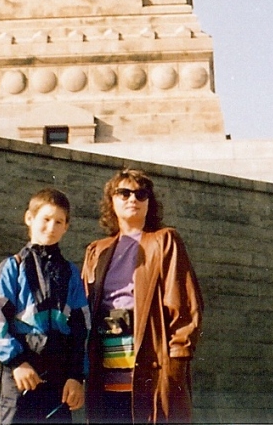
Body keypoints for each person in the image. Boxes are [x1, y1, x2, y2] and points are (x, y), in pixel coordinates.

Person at [82, 170, 203, 424]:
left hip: (152, 376)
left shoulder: (164, 241)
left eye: (141, 194)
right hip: (107, 376)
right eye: (124, 193)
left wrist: (175, 367)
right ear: (111, 200)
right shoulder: (97, 250)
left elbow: (185, 306)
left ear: (149, 202)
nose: (132, 199)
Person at [0, 188, 90, 424]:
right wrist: (16, 362)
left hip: (59, 380)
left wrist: (76, 376)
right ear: (29, 218)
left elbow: (81, 328)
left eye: (59, 221)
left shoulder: (71, 273)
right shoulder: (13, 267)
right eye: (46, 219)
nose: (51, 227)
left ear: (66, 227)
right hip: (21, 375)